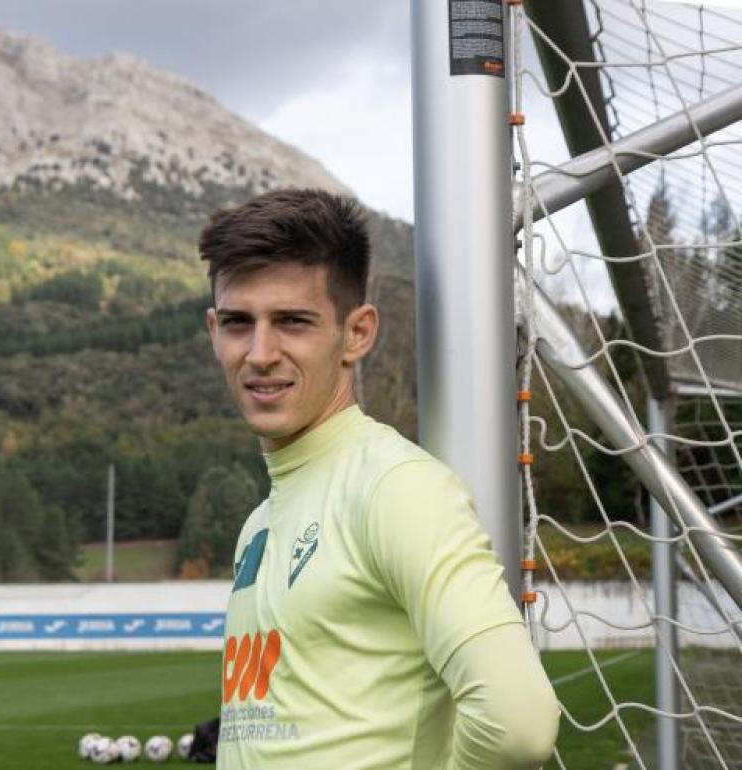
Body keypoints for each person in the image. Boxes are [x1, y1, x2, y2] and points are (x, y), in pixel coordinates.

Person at [201, 189, 560, 769]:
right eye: (240, 323)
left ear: (358, 333)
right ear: (214, 330)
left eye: (293, 322)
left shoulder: (394, 488)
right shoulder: (260, 524)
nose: (260, 353)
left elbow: (518, 723)